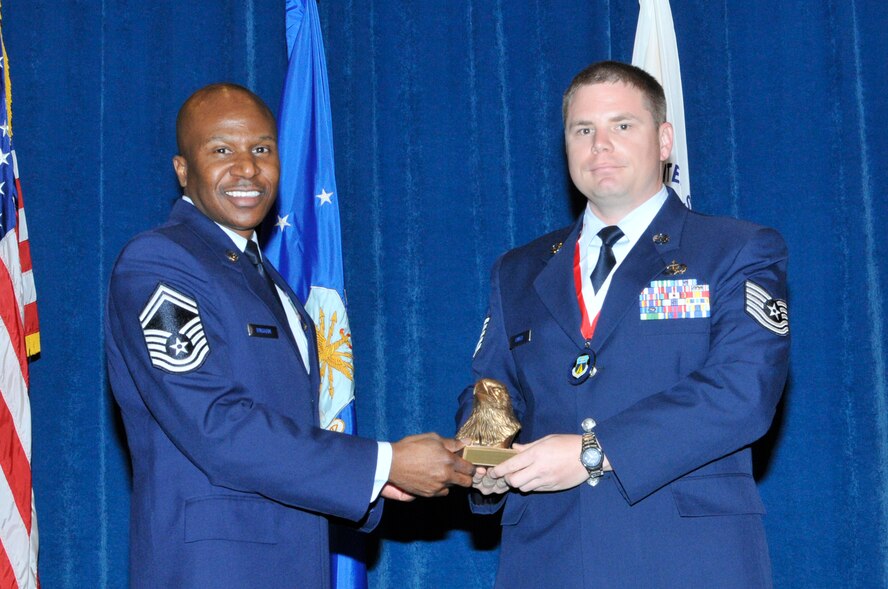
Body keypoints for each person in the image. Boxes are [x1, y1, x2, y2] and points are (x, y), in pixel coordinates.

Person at [105, 83, 474, 589]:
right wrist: (383, 462)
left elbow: (284, 430)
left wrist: (377, 479)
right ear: (183, 171)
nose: (247, 168)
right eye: (221, 150)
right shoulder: (161, 264)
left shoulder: (263, 278)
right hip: (214, 573)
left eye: (261, 149)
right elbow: (216, 425)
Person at [458, 61, 789, 588]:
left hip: (688, 559)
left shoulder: (734, 249)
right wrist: (484, 458)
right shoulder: (518, 270)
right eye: (583, 130)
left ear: (663, 141)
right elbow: (492, 390)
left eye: (622, 126)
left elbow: (742, 393)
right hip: (547, 559)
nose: (600, 145)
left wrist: (595, 453)